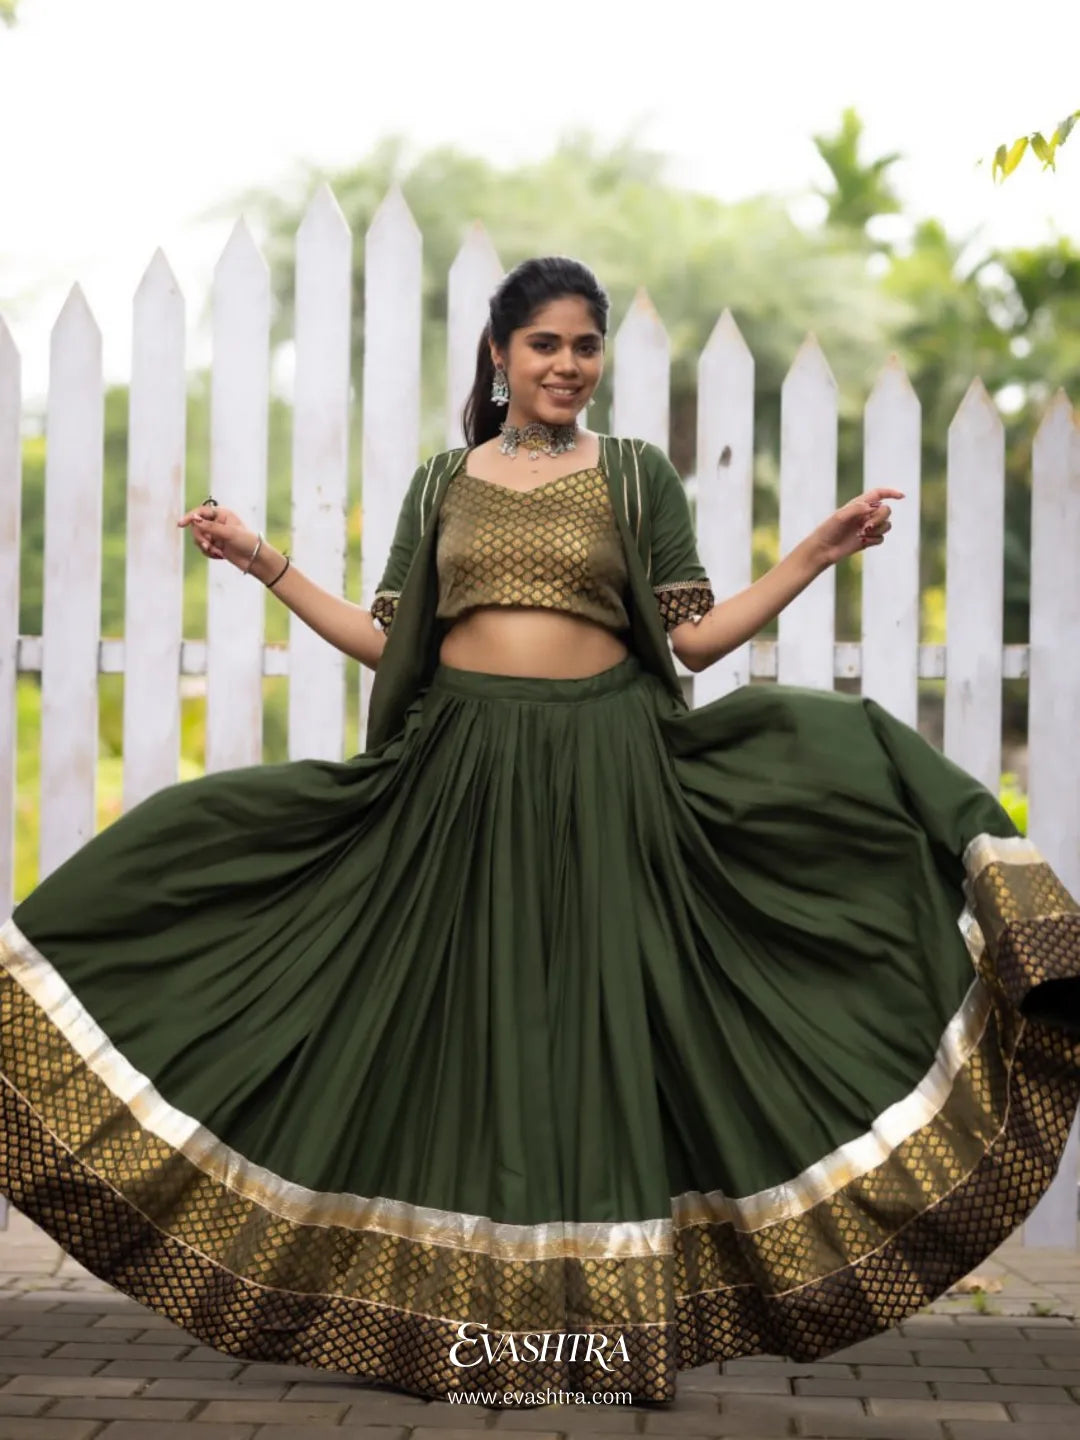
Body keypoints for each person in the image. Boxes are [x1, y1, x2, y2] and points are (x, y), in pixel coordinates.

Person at [1, 256, 1077, 1406]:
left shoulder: (632, 475)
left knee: (597, 1036)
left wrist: (814, 555)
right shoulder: (441, 484)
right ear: (502, 355)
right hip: (460, 779)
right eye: (546, 346)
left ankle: (600, 1336)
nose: (567, 366)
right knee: (448, 1027)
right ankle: (468, 1328)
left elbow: (698, 642)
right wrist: (265, 561)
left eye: (585, 346)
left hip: (610, 776)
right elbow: (389, 647)